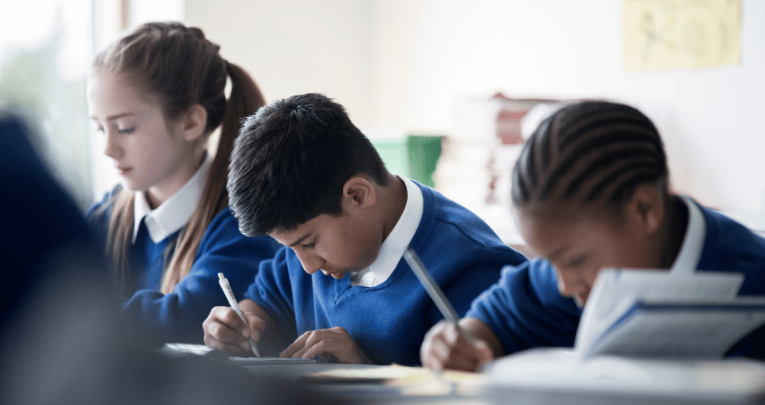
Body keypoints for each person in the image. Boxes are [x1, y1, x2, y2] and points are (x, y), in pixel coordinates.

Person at [420, 100, 765, 371]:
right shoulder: (566, 278)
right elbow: (490, 322)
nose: (563, 285)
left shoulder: (753, 275)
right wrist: (454, 343)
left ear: (645, 210)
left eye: (572, 260)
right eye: (549, 262)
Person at [202, 93, 527, 365]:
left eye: (310, 243)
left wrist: (368, 372)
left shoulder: (474, 270)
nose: (307, 266)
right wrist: (238, 326)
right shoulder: (308, 237)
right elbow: (265, 303)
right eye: (291, 249)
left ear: (358, 195)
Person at [86, 22, 280, 343]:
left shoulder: (240, 226)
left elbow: (186, 318)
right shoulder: (105, 215)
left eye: (125, 127)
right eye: (100, 129)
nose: (108, 148)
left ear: (191, 122)